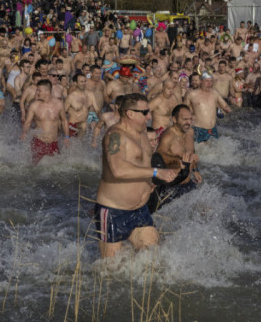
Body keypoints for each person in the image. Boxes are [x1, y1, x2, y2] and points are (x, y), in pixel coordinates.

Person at [93, 93, 179, 258]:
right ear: (130, 113)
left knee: (153, 260)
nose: (149, 116)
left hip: (140, 210)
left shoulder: (142, 133)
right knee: (111, 270)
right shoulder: (115, 135)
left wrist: (151, 180)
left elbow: (143, 163)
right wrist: (155, 172)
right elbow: (118, 170)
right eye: (144, 112)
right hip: (113, 211)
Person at [148, 104, 202, 213]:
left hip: (188, 182)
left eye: (190, 119)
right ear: (174, 119)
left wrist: (195, 170)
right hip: (173, 186)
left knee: (201, 212)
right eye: (185, 119)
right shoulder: (169, 136)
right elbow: (159, 156)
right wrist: (179, 160)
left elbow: (192, 152)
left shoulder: (190, 132)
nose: (188, 122)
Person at [21, 79, 70, 163]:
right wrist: (24, 133)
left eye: (39, 90)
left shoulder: (58, 104)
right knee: (36, 168)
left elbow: (64, 121)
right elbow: (28, 122)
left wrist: (66, 136)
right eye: (37, 90)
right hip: (39, 142)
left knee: (55, 167)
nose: (37, 92)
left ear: (47, 91)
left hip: (53, 142)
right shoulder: (34, 105)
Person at [184, 72, 231, 143]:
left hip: (212, 129)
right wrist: (190, 116)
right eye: (206, 81)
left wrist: (228, 112)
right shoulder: (192, 94)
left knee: (214, 150)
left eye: (210, 81)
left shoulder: (215, 93)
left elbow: (225, 106)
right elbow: (183, 110)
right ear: (201, 81)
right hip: (199, 129)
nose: (209, 83)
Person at [63, 74, 99, 138]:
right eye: (81, 82)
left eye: (85, 81)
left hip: (83, 126)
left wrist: (99, 123)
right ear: (75, 83)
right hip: (72, 126)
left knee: (85, 126)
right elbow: (63, 114)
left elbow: (97, 110)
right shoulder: (71, 97)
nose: (84, 83)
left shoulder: (90, 94)